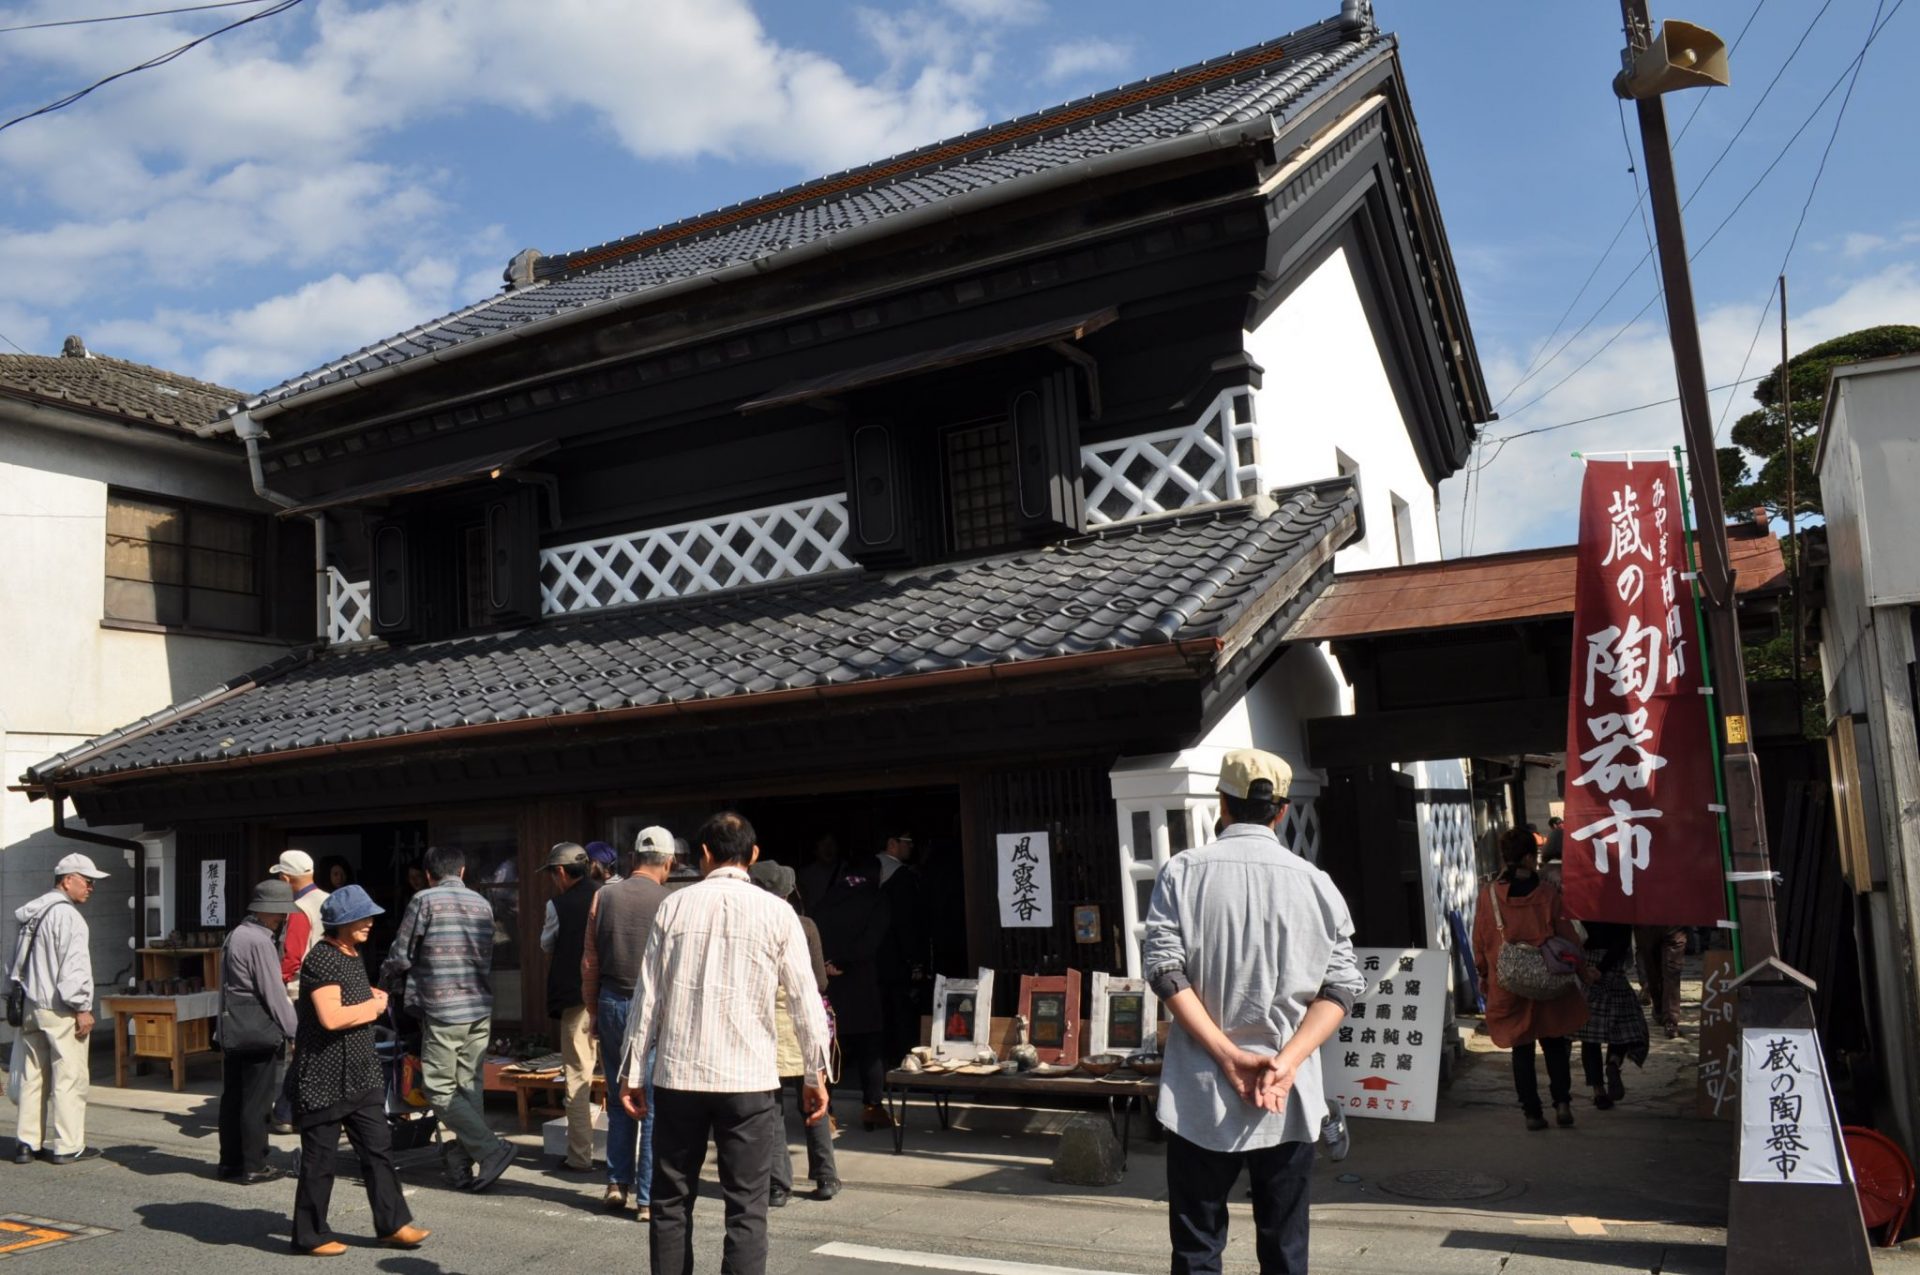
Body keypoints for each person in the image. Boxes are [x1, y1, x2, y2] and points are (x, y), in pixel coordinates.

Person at [1141, 749, 1363, 1275]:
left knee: (1197, 1250)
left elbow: (1164, 969)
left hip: (1199, 1094)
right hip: (1288, 1098)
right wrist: (1286, 1062)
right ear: (1281, 812)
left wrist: (1225, 1054)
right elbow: (1343, 987)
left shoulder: (1182, 873)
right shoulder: (1316, 883)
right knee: (1286, 1251)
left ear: (1223, 803)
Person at [619, 812, 830, 1275]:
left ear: (705, 855)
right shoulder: (779, 912)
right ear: (753, 857)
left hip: (679, 1075)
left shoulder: (673, 906)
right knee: (747, 1207)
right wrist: (815, 1076)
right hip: (750, 1080)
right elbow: (806, 1001)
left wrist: (632, 1071)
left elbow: (647, 997)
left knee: (671, 1202)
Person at [290, 885, 431, 1256]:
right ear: (341, 922)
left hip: (360, 1074)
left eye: (369, 916)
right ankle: (310, 1235)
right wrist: (373, 1006)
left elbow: (347, 995)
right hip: (323, 1076)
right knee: (320, 1160)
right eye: (362, 917)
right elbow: (331, 1017)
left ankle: (393, 1224)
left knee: (378, 1150)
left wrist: (370, 995)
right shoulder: (321, 958)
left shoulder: (350, 953)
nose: (370, 922)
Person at [380, 845, 514, 1192]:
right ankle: (460, 1167)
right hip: (478, 1006)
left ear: (428, 874)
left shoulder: (424, 901)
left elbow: (400, 954)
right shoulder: (482, 903)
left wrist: (383, 984)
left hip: (442, 1007)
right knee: (469, 1088)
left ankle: (492, 1149)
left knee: (438, 1089)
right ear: (463, 871)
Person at [582, 825, 675, 1218]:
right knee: (651, 1103)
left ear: (634, 858)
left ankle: (616, 1183)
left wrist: (591, 1011)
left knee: (620, 1096)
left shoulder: (603, 896)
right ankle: (648, 1198)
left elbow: (589, 961)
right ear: (668, 863)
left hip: (611, 1001)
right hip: (654, 1008)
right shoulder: (672, 901)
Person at [1473, 827, 1592, 1132]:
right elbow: (1568, 939)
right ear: (1528, 857)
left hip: (1509, 982)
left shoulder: (1488, 897)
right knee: (1554, 1042)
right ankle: (1562, 1103)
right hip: (1549, 978)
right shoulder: (1549, 894)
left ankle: (1532, 1113)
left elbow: (1482, 941)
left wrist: (1484, 976)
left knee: (1522, 1048)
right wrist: (1582, 970)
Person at [7, 852, 109, 1165]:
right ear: (67, 880)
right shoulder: (68, 917)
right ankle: (68, 1145)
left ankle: (27, 1142)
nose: (91, 887)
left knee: (32, 1075)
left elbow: (13, 963)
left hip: (30, 1005)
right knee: (70, 1076)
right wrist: (82, 1007)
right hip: (61, 1008)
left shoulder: (31, 914)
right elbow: (74, 968)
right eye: (86, 880)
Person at [750, 860, 840, 1206]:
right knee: (814, 1100)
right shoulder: (805, 925)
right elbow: (819, 982)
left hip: (765, 1022)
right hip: (803, 1020)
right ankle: (826, 1176)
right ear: (788, 892)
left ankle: (777, 1185)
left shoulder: (753, 924)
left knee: (772, 1108)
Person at [218, 879, 299, 1183]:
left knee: (234, 1098)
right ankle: (254, 1165)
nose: (282, 918)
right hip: (256, 1030)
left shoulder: (235, 935)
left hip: (234, 1028)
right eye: (279, 913)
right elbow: (273, 992)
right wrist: (295, 1031)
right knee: (257, 1101)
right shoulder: (259, 941)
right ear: (266, 911)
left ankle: (230, 1163)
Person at [809, 850, 890, 1131]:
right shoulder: (876, 900)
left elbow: (812, 933)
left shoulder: (827, 899)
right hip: (862, 981)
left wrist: (826, 963)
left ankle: (826, 1111)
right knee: (870, 1047)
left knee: (830, 1048)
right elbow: (871, 942)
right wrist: (845, 961)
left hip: (830, 984)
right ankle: (872, 1109)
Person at [539, 842, 601, 1173]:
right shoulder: (608, 894)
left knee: (578, 1076)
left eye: (551, 874)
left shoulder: (558, 905)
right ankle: (627, 1157)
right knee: (625, 1077)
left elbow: (546, 943)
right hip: (617, 995)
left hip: (577, 999)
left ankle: (580, 1156)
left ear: (560, 872)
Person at [1573, 921, 1649, 1110]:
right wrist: (1604, 967)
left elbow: (1575, 935)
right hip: (1613, 970)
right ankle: (1614, 1061)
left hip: (1587, 968)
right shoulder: (1620, 905)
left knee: (1589, 1038)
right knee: (1623, 1026)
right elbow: (1622, 942)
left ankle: (1598, 1092)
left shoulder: (1584, 902)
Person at [875, 831, 928, 1070]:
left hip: (874, 957)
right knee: (902, 1014)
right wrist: (915, 960)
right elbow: (908, 922)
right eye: (908, 843)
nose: (912, 848)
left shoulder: (869, 872)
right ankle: (905, 1065)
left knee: (883, 1013)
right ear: (891, 843)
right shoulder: (901, 876)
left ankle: (885, 1062)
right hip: (898, 957)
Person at [273, 849, 330, 997]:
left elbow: (292, 956)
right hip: (331, 982)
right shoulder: (331, 899)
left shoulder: (300, 907)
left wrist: (277, 982)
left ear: (285, 878)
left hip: (302, 989)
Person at [1635, 924, 1686, 1038]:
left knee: (1652, 968)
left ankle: (1661, 1011)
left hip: (1647, 923)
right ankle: (1670, 1020)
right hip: (1673, 921)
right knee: (1671, 972)